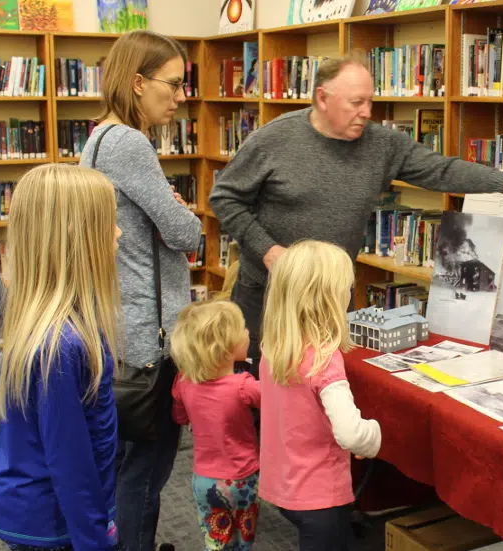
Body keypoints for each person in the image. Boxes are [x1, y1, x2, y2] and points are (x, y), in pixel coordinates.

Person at [209, 55, 503, 373]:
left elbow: (439, 169)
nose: (366, 112)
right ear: (322, 98)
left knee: (326, 388)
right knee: (258, 391)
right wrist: (268, 252)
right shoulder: (273, 140)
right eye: (356, 103)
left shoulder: (380, 144)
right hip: (269, 292)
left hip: (331, 295)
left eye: (370, 102)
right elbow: (225, 198)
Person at [80, 29, 203, 551]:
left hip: (122, 321)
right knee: (144, 470)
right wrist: (181, 212)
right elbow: (186, 235)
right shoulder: (130, 144)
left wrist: (166, 208)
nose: (180, 97)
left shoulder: (100, 136)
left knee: (128, 461)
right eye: (172, 85)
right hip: (148, 335)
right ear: (137, 83)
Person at [0, 163, 123, 551]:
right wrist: (95, 540)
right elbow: (70, 462)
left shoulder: (60, 325)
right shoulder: (59, 345)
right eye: (108, 223)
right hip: (54, 524)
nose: (119, 233)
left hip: (55, 514)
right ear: (74, 235)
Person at [258, 240, 382, 551]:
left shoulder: (274, 348)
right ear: (329, 300)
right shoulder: (325, 360)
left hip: (282, 485)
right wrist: (374, 435)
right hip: (321, 497)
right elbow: (352, 434)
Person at [170, 300, 261, 550]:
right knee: (244, 541)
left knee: (216, 540)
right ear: (228, 347)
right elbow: (275, 400)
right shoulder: (243, 385)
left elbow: (180, 417)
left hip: (205, 481)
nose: (248, 333)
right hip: (244, 479)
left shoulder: (183, 382)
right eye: (243, 329)